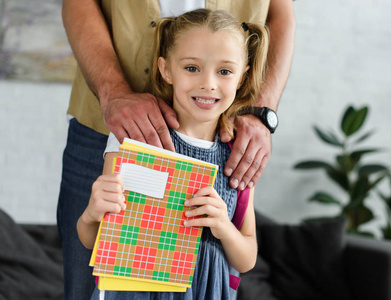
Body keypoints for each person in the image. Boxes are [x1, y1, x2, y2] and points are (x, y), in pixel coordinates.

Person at [59, 0, 295, 299]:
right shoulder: (131, 141)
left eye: (224, 71)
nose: (208, 84)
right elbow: (95, 238)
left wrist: (223, 226)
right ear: (166, 69)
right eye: (192, 68)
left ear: (243, 77)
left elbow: (246, 258)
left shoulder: (238, 153)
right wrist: (93, 212)